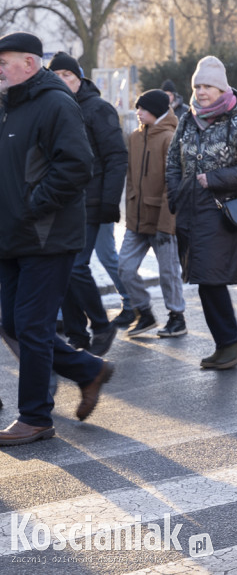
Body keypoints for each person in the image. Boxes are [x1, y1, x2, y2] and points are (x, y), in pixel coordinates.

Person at [0, 32, 114, 446]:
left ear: (29, 64)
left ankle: (34, 417)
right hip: (12, 236)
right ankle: (88, 370)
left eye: (4, 62)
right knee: (12, 322)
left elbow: (77, 166)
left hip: (46, 235)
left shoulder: (54, 103)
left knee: (31, 325)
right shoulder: (9, 105)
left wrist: (32, 205)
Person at [166, 56, 237, 370]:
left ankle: (230, 342)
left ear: (221, 88)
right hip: (190, 210)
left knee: (210, 278)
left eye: (208, 85)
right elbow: (172, 162)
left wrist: (213, 179)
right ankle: (227, 344)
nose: (202, 91)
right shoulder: (187, 119)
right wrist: (176, 194)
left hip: (222, 211)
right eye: (197, 85)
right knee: (204, 279)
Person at [48, 51, 127, 357]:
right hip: (64, 203)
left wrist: (109, 202)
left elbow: (116, 157)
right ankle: (77, 333)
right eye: (56, 77)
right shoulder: (54, 109)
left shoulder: (98, 109)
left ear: (79, 79)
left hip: (93, 202)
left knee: (77, 266)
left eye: (67, 76)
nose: (62, 82)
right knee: (64, 267)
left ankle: (102, 325)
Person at [119, 90, 187, 338]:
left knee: (168, 272)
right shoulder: (134, 138)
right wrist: (129, 213)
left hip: (162, 219)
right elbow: (130, 179)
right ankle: (144, 313)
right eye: (137, 108)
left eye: (142, 108)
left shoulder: (170, 138)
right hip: (137, 220)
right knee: (125, 267)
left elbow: (174, 184)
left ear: (156, 110)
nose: (138, 112)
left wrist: (167, 223)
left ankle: (176, 316)